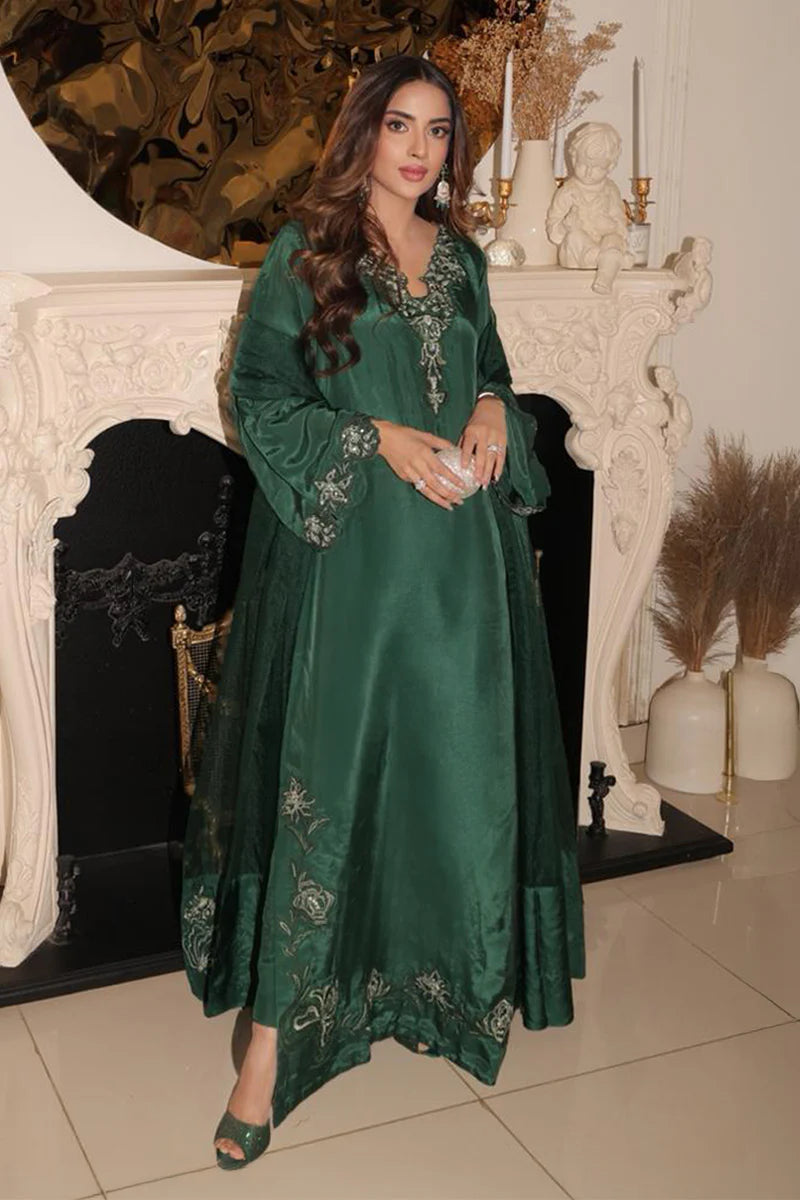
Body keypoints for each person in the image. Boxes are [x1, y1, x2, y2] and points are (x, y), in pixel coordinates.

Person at [180, 53, 586, 1171]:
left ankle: (435, 992)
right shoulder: (305, 256)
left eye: (438, 130)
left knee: (454, 780)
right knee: (332, 787)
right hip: (354, 563)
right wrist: (373, 438)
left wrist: (493, 406)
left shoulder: (461, 258)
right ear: (361, 132)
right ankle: (270, 1053)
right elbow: (259, 397)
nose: (418, 148)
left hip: (462, 569)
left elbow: (489, 366)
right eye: (399, 124)